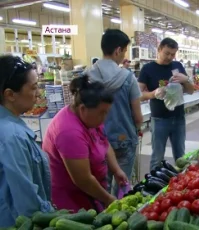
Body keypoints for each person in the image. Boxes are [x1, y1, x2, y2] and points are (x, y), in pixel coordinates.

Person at [43, 75, 128, 212]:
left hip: (92, 194)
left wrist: (116, 170)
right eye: (102, 113)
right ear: (82, 109)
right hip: (72, 200)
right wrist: (108, 199)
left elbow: (104, 143)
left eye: (106, 112)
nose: (104, 117)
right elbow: (83, 180)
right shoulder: (69, 132)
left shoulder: (91, 119)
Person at [86, 29, 143, 195]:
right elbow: (137, 115)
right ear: (118, 50)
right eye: (124, 50)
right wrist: (138, 127)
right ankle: (120, 214)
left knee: (100, 185)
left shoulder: (86, 76)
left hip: (95, 140)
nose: (124, 55)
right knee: (122, 185)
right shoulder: (127, 77)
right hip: (123, 138)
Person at [0, 55, 54, 227]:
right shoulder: (12, 136)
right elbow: (27, 203)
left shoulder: (10, 125)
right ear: (10, 94)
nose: (38, 93)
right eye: (33, 87)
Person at [138, 37, 195, 171]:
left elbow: (191, 91)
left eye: (173, 54)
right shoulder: (148, 69)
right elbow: (138, 95)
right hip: (159, 120)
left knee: (181, 157)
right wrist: (153, 94)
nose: (170, 57)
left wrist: (186, 80)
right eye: (167, 53)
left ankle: (182, 185)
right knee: (157, 157)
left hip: (179, 118)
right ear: (159, 50)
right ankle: (154, 187)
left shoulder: (178, 66)